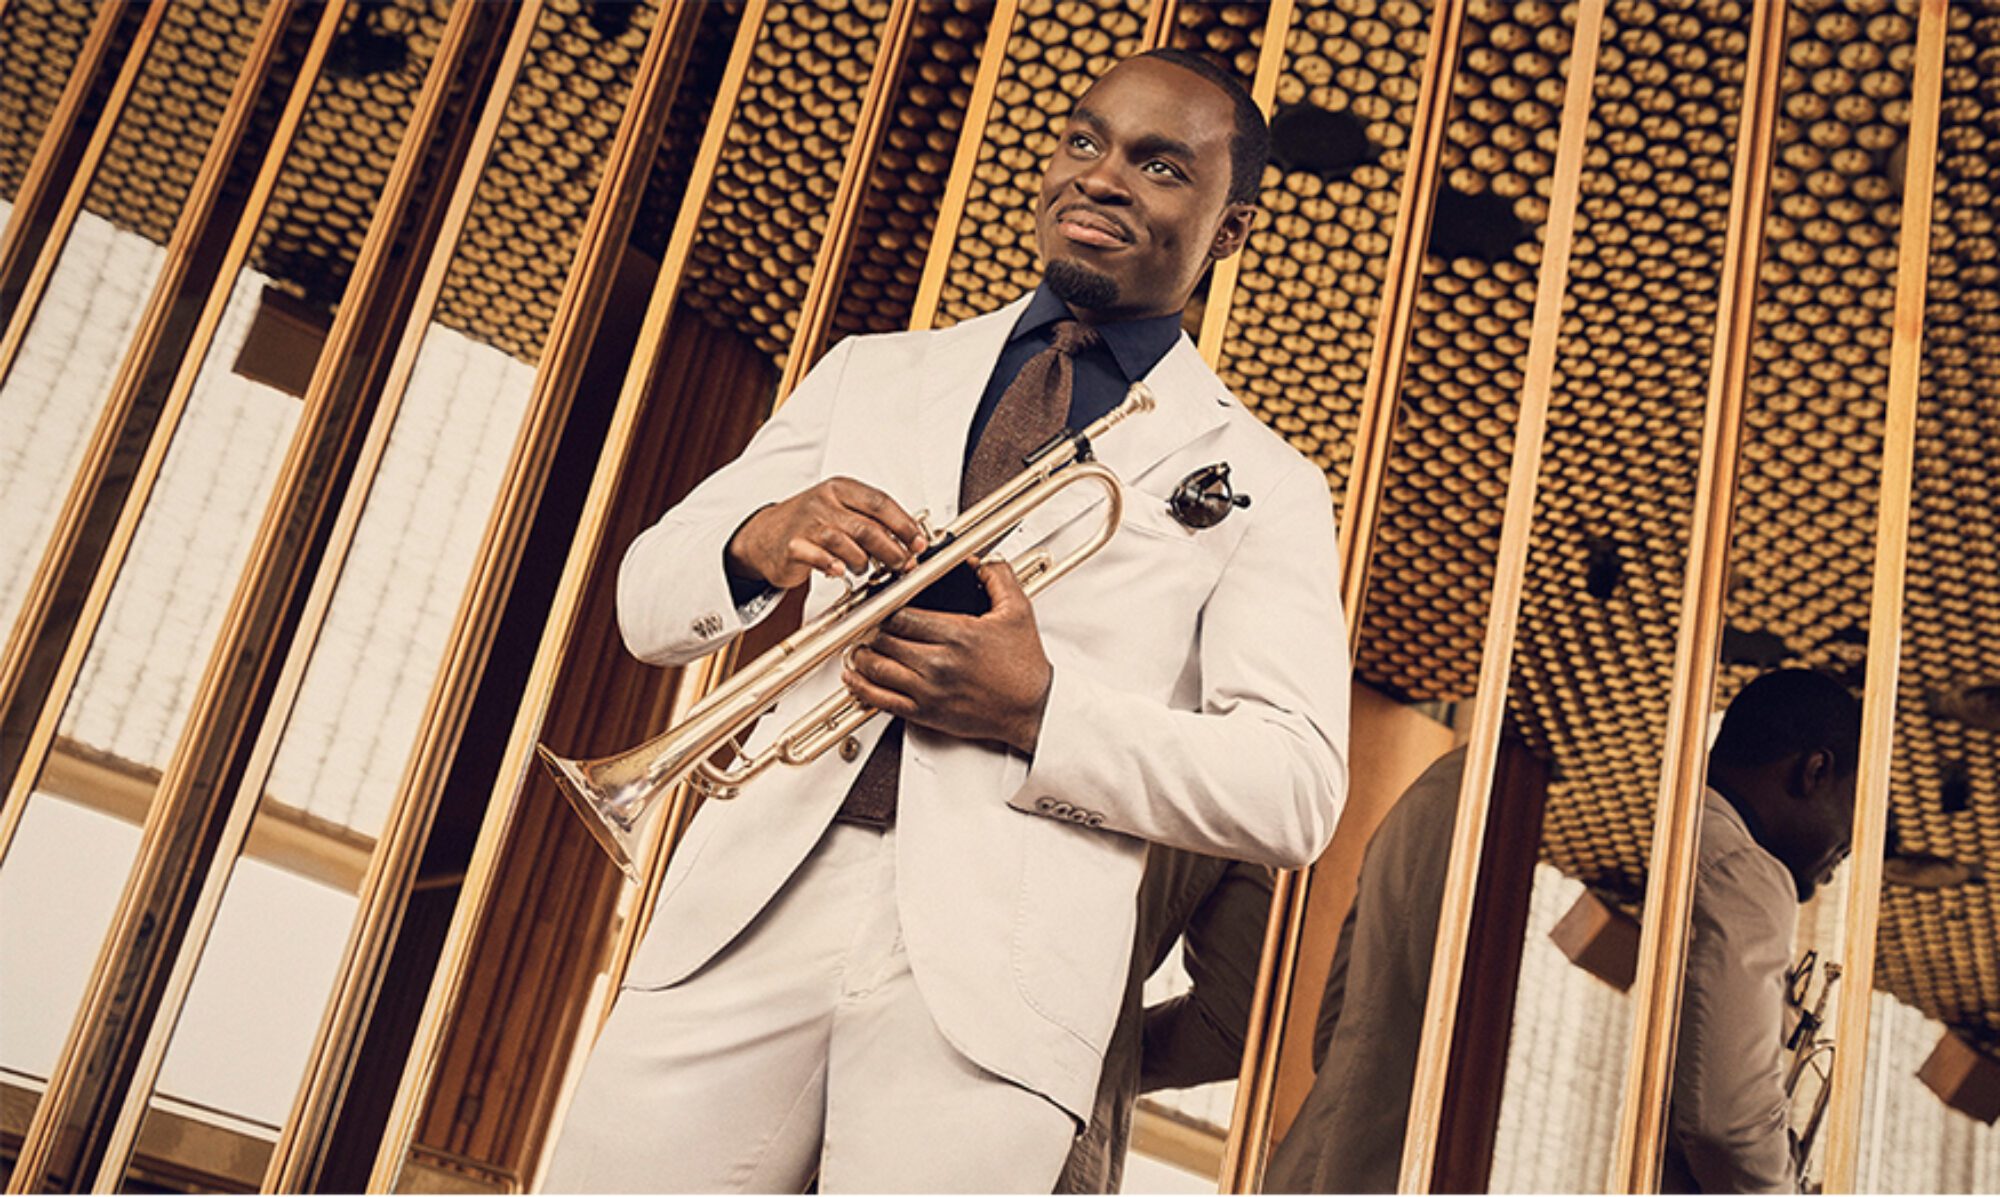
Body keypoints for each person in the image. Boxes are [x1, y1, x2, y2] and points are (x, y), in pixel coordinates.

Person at [542, 48, 1351, 1193]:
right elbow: (645, 603)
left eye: (1159, 165)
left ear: (1228, 232)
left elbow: (1294, 789)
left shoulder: (1268, 480)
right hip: (747, 913)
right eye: (1084, 141)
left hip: (1003, 975)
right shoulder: (869, 373)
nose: (1101, 177)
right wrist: (759, 537)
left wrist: (1039, 710)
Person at [1078, 669, 1855, 1194]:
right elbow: (1727, 1127)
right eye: (1856, 813)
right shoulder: (1741, 871)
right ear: (1813, 770)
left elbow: (1332, 1027)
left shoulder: (1448, 782)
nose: (1846, 850)